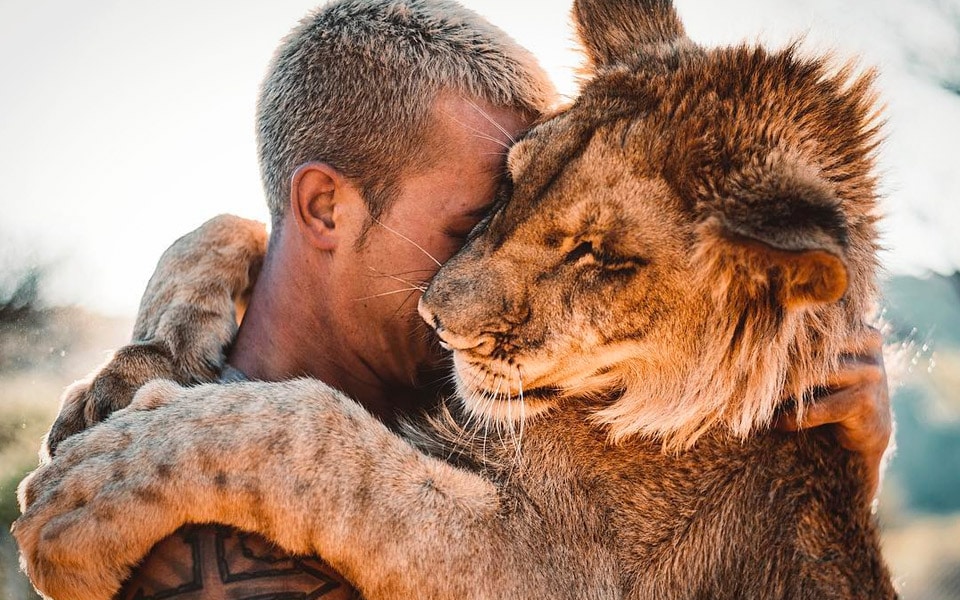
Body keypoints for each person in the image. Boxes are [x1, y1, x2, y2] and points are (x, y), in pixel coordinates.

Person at [38, 1, 893, 598]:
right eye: (487, 214)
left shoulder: (705, 356)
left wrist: (839, 476)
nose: (452, 303)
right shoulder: (200, 559)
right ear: (323, 208)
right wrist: (190, 297)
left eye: (500, 219)